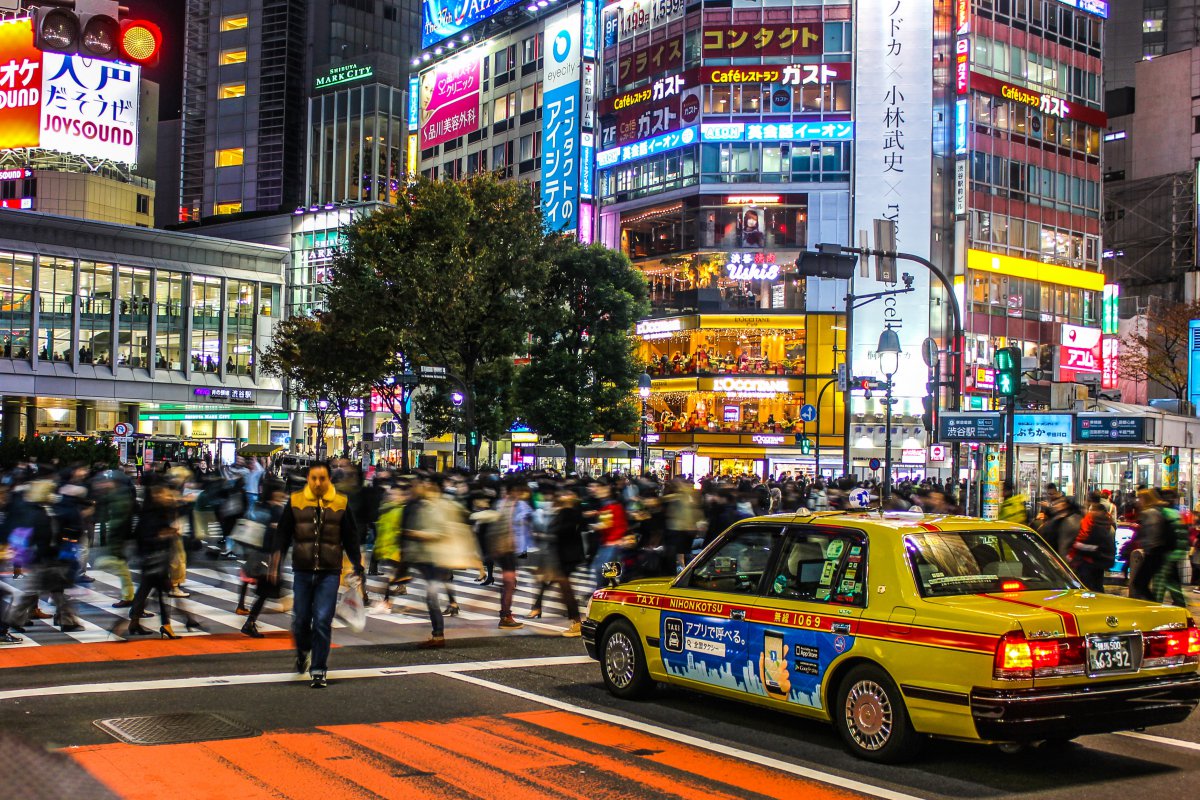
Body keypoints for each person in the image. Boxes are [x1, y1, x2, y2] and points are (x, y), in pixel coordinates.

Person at [273, 462, 363, 688]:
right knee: (301, 619)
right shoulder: (295, 501)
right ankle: (303, 651)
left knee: (323, 620)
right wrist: (276, 561)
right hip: (302, 570)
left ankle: (319, 669)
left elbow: (351, 537)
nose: (318, 483)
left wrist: (357, 565)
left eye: (322, 478)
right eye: (314, 478)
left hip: (330, 572)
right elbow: (283, 534)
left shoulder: (341, 502)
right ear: (308, 479)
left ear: (329, 479)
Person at [487, 478, 532, 629]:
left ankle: (505, 614)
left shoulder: (508, 504)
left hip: (508, 548)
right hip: (506, 548)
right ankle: (505, 616)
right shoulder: (511, 505)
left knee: (509, 582)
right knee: (509, 581)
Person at [1070, 493, 1115, 593]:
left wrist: (1073, 552)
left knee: (1086, 586)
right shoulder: (1108, 521)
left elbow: (1083, 536)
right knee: (1097, 585)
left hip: (1088, 560)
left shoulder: (1089, 518)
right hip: (1101, 560)